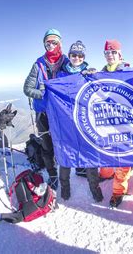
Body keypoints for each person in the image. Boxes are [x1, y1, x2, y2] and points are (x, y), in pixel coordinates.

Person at [56, 41, 103, 202]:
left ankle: (94, 188)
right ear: (69, 56)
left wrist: (96, 76)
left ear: (84, 57)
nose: (77, 58)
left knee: (89, 154)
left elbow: (98, 93)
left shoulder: (89, 73)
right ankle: (65, 188)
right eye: (74, 55)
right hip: (65, 120)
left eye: (80, 55)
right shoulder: (61, 74)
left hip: (84, 120)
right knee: (65, 154)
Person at [23, 28, 68, 190]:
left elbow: (75, 77)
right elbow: (27, 89)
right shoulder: (38, 64)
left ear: (59, 43)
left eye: (54, 42)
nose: (50, 45)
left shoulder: (66, 62)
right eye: (47, 42)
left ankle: (70, 167)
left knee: (65, 141)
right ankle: (53, 175)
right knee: (46, 145)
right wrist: (43, 94)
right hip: (43, 112)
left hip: (61, 111)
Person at [98, 39, 133, 208]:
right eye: (107, 53)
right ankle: (106, 173)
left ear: (120, 54)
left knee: (122, 157)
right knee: (106, 149)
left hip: (124, 121)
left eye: (113, 52)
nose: (110, 55)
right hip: (107, 120)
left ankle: (119, 191)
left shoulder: (128, 71)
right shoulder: (102, 72)